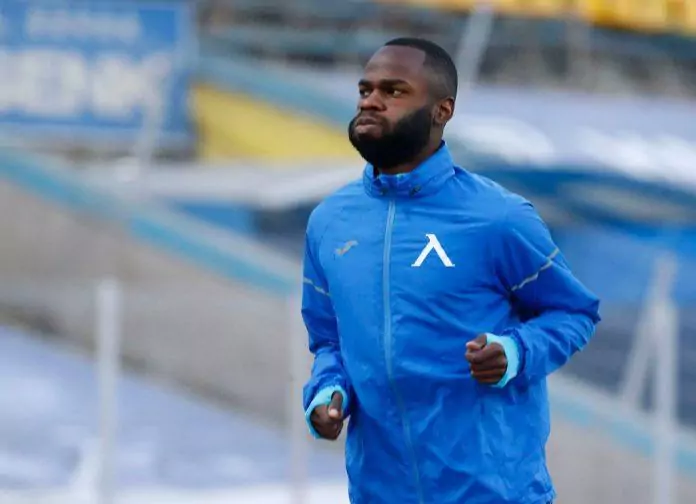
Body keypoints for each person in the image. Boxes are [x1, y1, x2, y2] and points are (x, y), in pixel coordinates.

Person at [301, 37, 601, 504]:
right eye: (365, 90)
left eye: (393, 91)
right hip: (378, 494)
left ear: (442, 110)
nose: (371, 101)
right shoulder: (328, 222)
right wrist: (328, 391)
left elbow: (574, 313)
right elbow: (328, 342)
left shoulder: (498, 217)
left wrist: (515, 351)